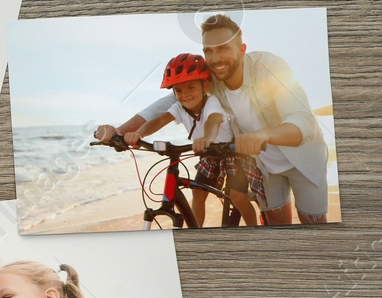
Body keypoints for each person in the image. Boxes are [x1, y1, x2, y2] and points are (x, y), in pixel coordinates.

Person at [94, 52, 262, 227]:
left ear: (204, 86)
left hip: (230, 154)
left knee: (238, 197)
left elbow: (213, 121)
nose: (185, 95)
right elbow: (159, 120)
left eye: (191, 87)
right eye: (179, 90)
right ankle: (196, 233)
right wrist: (139, 134)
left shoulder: (212, 102)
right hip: (208, 155)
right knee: (197, 193)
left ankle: (252, 230)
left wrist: (206, 138)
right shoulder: (179, 107)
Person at [201, 14, 329, 225]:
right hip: (265, 166)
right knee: (275, 223)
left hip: (303, 161)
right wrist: (130, 132)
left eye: (223, 48)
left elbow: (304, 122)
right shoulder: (213, 76)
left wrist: (264, 134)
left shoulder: (269, 66)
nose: (215, 59)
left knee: (313, 222)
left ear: (241, 50)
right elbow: (174, 98)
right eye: (209, 51)